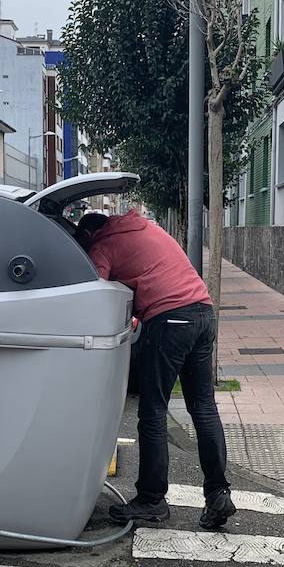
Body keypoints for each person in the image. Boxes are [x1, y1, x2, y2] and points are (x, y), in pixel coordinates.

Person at [75, 210, 234, 529]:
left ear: (89, 235)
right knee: (203, 407)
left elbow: (92, 295)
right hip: (203, 313)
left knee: (152, 411)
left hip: (170, 319)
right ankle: (218, 495)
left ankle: (151, 500)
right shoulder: (145, 226)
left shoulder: (102, 246)